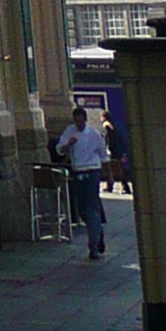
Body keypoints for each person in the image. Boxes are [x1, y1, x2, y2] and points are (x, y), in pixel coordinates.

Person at [53, 101, 110, 257]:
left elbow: (103, 156)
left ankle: (93, 245)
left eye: (81, 121)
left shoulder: (93, 134)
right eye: (76, 121)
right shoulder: (69, 131)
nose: (78, 124)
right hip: (78, 172)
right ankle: (97, 231)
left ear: (85, 120)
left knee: (91, 207)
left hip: (92, 170)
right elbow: (59, 149)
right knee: (82, 209)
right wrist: (68, 146)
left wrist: (108, 175)